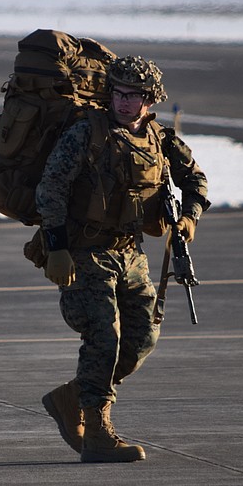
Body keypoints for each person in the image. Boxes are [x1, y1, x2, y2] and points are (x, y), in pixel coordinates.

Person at [36, 55, 209, 463]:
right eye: (118, 93)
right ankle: (97, 433)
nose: (124, 102)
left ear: (150, 100)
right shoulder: (86, 134)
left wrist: (189, 217)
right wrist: (57, 247)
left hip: (131, 253)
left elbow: (197, 179)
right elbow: (51, 189)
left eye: (134, 96)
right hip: (85, 251)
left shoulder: (160, 140)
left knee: (141, 339)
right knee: (104, 338)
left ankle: (72, 396)